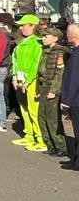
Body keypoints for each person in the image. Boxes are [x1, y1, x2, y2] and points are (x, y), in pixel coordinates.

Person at [10, 14, 45, 151]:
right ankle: (29, 135)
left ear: (32, 26)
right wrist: (14, 77)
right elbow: (15, 60)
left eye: (24, 25)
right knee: (23, 108)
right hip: (19, 79)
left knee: (33, 110)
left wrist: (28, 81)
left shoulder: (38, 43)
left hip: (31, 81)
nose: (21, 28)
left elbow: (36, 64)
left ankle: (40, 139)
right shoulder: (21, 43)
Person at [35, 25, 68, 157]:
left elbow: (60, 73)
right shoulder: (46, 50)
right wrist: (38, 88)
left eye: (45, 36)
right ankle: (50, 145)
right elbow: (40, 71)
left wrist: (54, 90)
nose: (43, 38)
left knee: (52, 119)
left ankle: (61, 146)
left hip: (52, 88)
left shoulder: (60, 52)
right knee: (41, 117)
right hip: (43, 86)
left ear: (55, 38)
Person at [57, 24, 79, 169]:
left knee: (78, 130)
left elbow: (74, 79)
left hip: (76, 99)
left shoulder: (77, 55)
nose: (66, 36)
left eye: (68, 33)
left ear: (73, 35)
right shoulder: (75, 52)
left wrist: (67, 100)